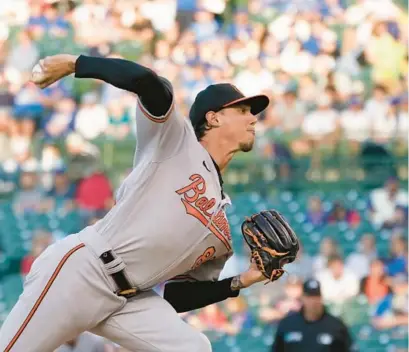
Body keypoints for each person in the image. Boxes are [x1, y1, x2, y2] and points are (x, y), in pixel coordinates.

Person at [0, 53, 292, 352]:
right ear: (213, 117)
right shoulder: (176, 142)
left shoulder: (220, 219)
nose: (253, 118)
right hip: (86, 270)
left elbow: (178, 297)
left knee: (193, 348)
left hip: (129, 300)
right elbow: (149, 84)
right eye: (243, 110)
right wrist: (76, 64)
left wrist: (244, 279)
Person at [272, 279, 355, 352]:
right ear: (303, 298)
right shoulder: (288, 324)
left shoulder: (336, 326)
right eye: (309, 297)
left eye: (316, 297)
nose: (313, 301)